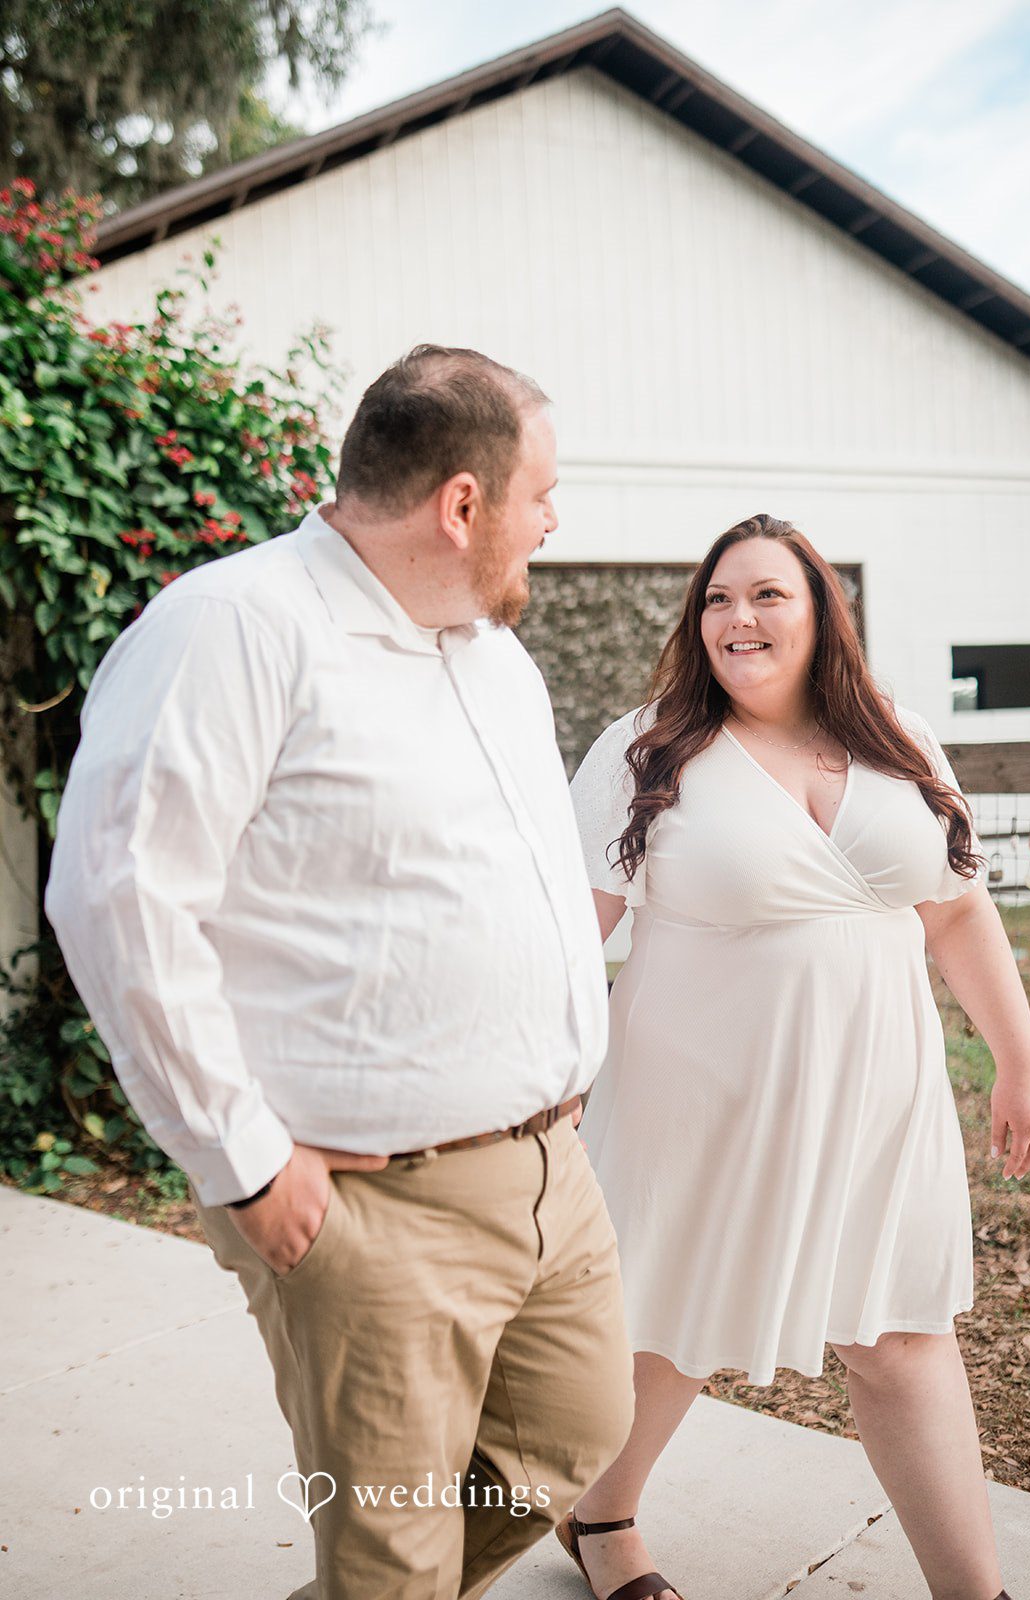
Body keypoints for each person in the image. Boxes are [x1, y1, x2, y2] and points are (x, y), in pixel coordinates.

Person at [45, 345, 635, 1600]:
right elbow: (119, 898)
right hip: (374, 1204)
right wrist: (243, 1157)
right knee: (393, 1550)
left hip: (547, 1170)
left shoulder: (495, 657)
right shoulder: (234, 628)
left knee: (573, 1434)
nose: (551, 519)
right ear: (461, 502)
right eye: (539, 493)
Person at [560, 514, 1030, 1600]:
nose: (736, 617)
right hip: (692, 1097)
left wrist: (1019, 1061)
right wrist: (527, 1084)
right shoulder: (646, 749)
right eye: (716, 599)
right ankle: (600, 1518)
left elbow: (957, 913)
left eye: (765, 594)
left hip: (876, 1095)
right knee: (667, 1326)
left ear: (820, 611)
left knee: (901, 1330)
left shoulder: (900, 739)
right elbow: (564, 936)